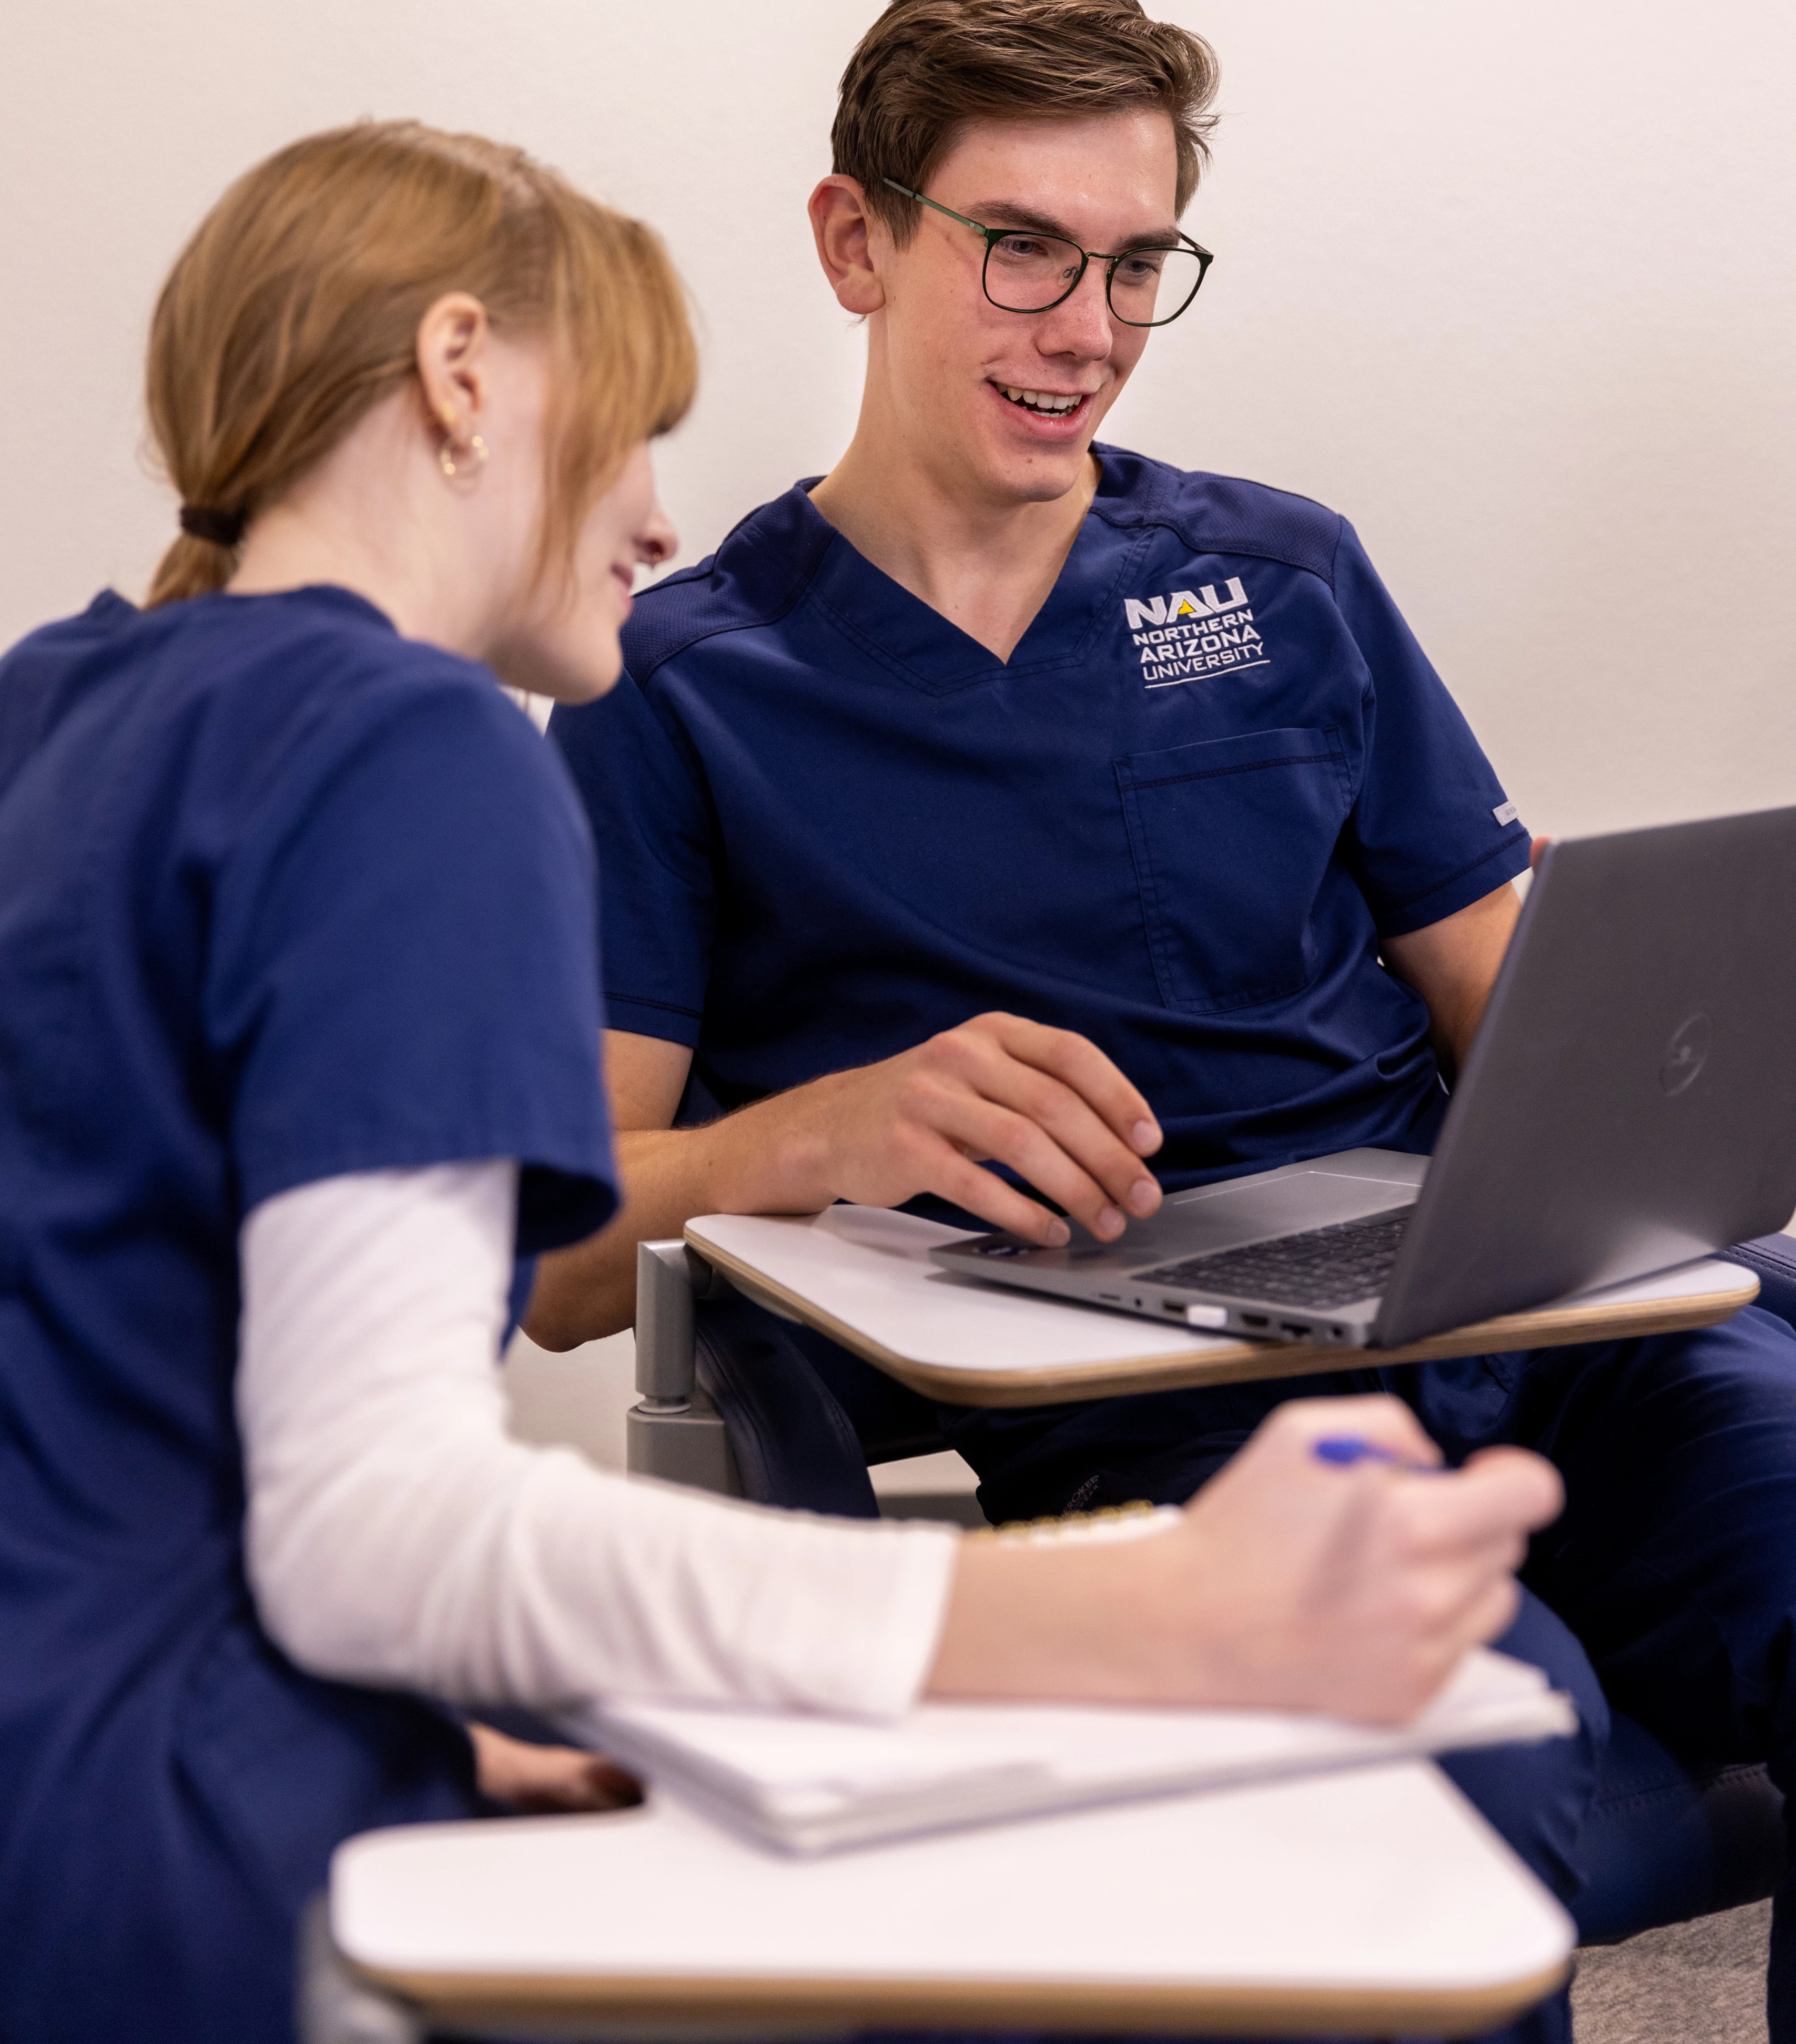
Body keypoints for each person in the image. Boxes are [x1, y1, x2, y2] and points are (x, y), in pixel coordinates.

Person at [0, 119, 1559, 2044]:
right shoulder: (413, 746)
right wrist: (1126, 1620)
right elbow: (382, 1533)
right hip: (183, 1876)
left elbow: (136, 1404)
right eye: (634, 427)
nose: (657, 519)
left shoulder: (56, 707)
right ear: (462, 375)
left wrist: (440, 1713)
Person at [541, 0, 1796, 2042]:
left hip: (1499, 1305)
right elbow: (556, 1247)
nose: (1088, 331)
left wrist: (1665, 1066)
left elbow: (1522, 1017)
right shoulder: (680, 686)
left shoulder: (1281, 577)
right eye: (1021, 249)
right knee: (1478, 1733)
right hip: (1142, 1400)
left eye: (1136, 265)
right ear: (855, 239)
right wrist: (818, 1131)